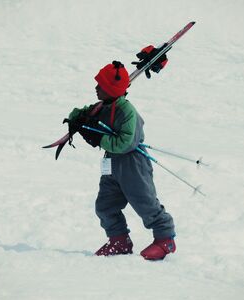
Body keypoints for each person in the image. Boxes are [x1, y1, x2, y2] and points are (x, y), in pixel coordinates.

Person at [66, 60, 176, 260]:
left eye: (100, 85)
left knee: (145, 204)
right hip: (112, 163)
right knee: (105, 205)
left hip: (132, 163)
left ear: (110, 88)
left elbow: (126, 142)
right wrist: (78, 119)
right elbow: (80, 114)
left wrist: (99, 138)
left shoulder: (127, 112)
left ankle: (165, 239)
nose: (96, 88)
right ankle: (119, 240)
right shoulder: (103, 106)